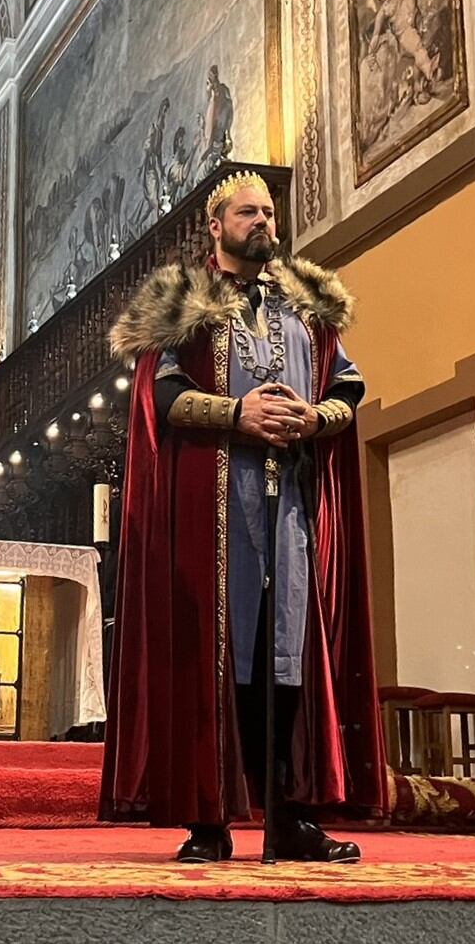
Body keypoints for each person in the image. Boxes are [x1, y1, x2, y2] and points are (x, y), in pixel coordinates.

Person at [102, 171, 386, 862]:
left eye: (267, 210)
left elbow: (347, 384)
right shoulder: (179, 301)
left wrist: (314, 417)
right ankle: (208, 820)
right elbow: (163, 397)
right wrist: (238, 413)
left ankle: (288, 816)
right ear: (215, 225)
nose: (261, 220)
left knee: (286, 659)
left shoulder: (308, 307)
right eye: (245, 211)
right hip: (211, 506)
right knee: (217, 657)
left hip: (290, 505)